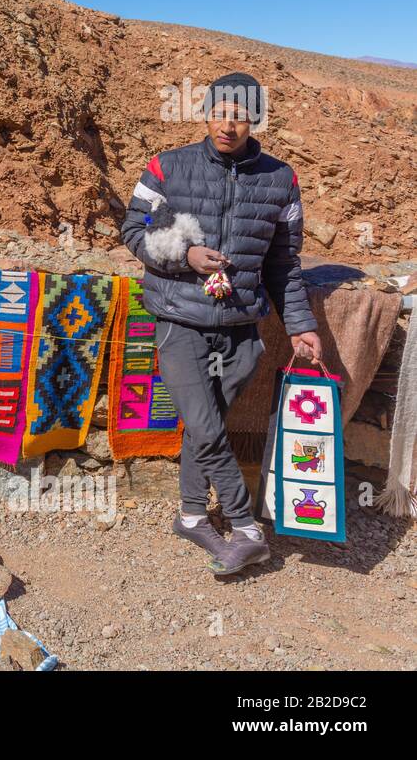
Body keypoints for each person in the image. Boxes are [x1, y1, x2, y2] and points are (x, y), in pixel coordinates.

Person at [120, 72, 322, 576]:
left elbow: (285, 264)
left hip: (240, 327)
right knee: (207, 426)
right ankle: (246, 528)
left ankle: (191, 514)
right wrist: (184, 254)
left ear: (255, 119)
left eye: (239, 115)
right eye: (219, 113)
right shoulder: (166, 167)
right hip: (179, 318)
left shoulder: (282, 179)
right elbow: (132, 230)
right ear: (206, 113)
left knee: (204, 424)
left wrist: (300, 325)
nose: (227, 125)